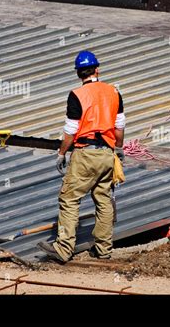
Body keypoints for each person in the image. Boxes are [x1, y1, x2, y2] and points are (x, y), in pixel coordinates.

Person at [37, 51, 126, 262]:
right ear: (97, 69)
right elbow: (119, 127)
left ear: (79, 74)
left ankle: (64, 248)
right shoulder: (114, 92)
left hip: (85, 154)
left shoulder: (76, 95)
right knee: (103, 200)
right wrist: (118, 150)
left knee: (69, 198)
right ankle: (104, 249)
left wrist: (61, 153)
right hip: (107, 153)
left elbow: (71, 130)